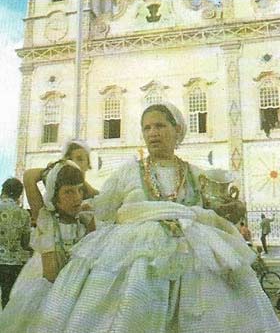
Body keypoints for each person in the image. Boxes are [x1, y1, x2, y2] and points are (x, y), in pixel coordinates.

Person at [1, 103, 280, 332]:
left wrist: (233, 208)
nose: (153, 133)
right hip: (135, 249)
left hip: (195, 251)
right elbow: (102, 207)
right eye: (147, 128)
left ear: (177, 130)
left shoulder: (197, 174)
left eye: (160, 126)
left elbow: (218, 208)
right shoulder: (127, 172)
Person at [0, 160, 96, 329]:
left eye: (80, 190)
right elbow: (29, 176)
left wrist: (74, 172)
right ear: (54, 196)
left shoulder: (86, 222)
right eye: (68, 192)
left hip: (77, 292)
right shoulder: (47, 219)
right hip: (48, 289)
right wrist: (56, 168)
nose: (77, 197)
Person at [23, 139, 99, 222]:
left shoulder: (95, 198)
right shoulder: (51, 204)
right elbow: (28, 175)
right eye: (69, 159)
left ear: (88, 164)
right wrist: (52, 171)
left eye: (80, 159)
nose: (74, 163)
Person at [0, 178, 31, 308]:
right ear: (19, 195)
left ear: (3, 190)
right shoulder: (24, 214)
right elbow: (25, 243)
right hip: (12, 264)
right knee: (7, 299)